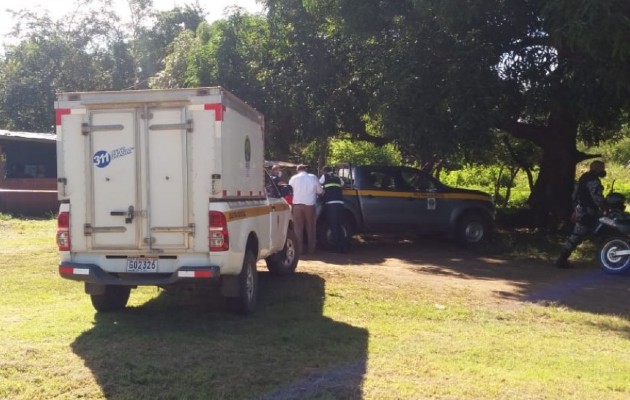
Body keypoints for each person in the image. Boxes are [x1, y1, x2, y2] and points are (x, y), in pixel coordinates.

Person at [555, 160, 607, 268]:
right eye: (602, 168)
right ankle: (562, 259)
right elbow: (597, 198)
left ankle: (604, 258)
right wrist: (605, 207)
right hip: (588, 212)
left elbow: (575, 195)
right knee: (578, 235)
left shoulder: (583, 178)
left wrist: (575, 210)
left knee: (587, 234)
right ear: (597, 169)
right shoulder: (593, 181)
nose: (604, 170)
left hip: (581, 210)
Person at [288, 164, 323, 255]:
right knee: (311, 227)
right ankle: (311, 249)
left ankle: (299, 250)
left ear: (297, 170)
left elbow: (289, 190)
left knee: (298, 229)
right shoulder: (313, 177)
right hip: (310, 206)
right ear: (306, 169)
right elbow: (320, 191)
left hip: (297, 206)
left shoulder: (293, 178)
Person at [319, 166, 348, 253]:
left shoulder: (325, 176)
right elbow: (343, 184)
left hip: (331, 203)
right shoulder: (337, 177)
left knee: (333, 225)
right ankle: (344, 246)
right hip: (340, 203)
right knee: (340, 224)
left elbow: (318, 185)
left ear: (324, 171)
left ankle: (338, 248)